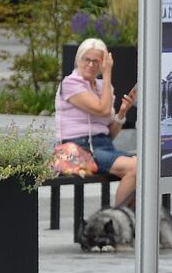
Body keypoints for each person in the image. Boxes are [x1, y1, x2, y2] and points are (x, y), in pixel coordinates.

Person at [55, 38, 137, 206]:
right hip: (79, 148)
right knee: (134, 168)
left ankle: (134, 221)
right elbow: (103, 110)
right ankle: (117, 221)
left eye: (96, 61)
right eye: (87, 59)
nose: (91, 65)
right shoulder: (70, 83)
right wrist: (107, 74)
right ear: (78, 60)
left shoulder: (102, 87)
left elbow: (109, 134)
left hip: (103, 146)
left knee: (145, 166)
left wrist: (121, 113)